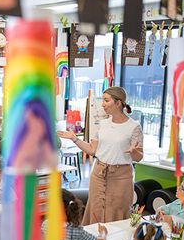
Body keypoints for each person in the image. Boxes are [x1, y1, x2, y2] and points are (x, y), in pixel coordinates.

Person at [58, 86, 143, 225]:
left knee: (117, 210)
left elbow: (139, 157)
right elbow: (92, 150)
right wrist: (74, 138)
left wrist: (134, 153)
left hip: (121, 177)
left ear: (118, 103)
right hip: (99, 173)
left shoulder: (133, 127)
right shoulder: (102, 124)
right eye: (102, 100)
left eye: (106, 100)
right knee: (95, 208)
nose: (102, 104)